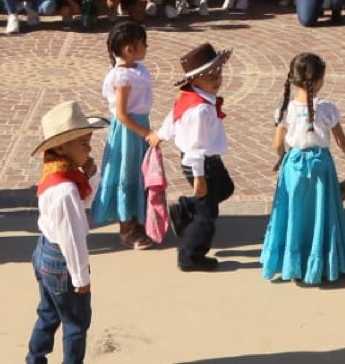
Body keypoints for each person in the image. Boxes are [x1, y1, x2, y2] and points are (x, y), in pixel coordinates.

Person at [259, 51, 345, 286]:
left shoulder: (284, 108)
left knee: (294, 213)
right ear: (317, 81)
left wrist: (281, 158)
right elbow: (341, 141)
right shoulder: (327, 109)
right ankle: (321, 263)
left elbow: (278, 143)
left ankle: (292, 263)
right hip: (321, 167)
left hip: (294, 164)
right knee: (320, 213)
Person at [28, 99, 108, 364]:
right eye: (83, 144)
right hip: (62, 262)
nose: (89, 148)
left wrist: (92, 174)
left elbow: (85, 201)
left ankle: (35, 358)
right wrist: (80, 277)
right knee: (76, 323)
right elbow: (72, 239)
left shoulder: (57, 172)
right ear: (63, 146)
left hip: (44, 252)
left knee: (48, 313)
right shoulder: (66, 190)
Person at [160, 41, 234, 273]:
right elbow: (195, 146)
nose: (216, 77)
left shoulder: (190, 96)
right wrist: (199, 177)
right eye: (208, 74)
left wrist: (160, 135)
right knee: (207, 214)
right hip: (201, 163)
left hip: (206, 161)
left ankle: (183, 208)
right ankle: (190, 255)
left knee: (225, 188)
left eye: (218, 71)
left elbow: (172, 117)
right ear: (194, 79)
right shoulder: (200, 110)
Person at [90, 22, 158, 247]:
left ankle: (137, 217)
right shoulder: (123, 78)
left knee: (138, 173)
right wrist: (145, 132)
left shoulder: (135, 69)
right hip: (129, 133)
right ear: (129, 48)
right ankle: (126, 227)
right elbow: (121, 113)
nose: (146, 48)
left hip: (138, 127)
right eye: (143, 44)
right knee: (126, 174)